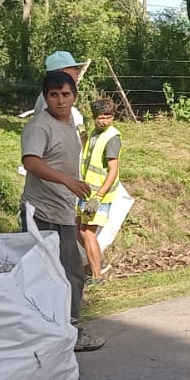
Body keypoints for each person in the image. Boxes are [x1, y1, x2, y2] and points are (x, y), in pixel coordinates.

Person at [22, 70, 103, 351]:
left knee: (69, 272)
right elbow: (31, 162)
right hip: (42, 213)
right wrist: (67, 181)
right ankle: (67, 332)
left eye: (65, 94)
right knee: (63, 273)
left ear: (74, 97)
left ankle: (61, 330)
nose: (60, 101)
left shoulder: (70, 123)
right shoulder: (39, 126)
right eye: (53, 95)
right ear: (45, 98)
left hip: (64, 210)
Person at [77, 99, 122, 281]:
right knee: (78, 229)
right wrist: (83, 136)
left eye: (108, 117)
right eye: (101, 118)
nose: (104, 121)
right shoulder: (96, 133)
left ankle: (97, 277)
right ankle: (99, 264)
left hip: (99, 194)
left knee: (87, 232)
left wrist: (98, 197)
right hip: (88, 191)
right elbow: (91, 150)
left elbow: (113, 170)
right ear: (94, 118)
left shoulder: (112, 138)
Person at [33, 50, 86, 131]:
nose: (78, 72)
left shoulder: (49, 94)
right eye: (74, 68)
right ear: (64, 71)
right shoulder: (51, 99)